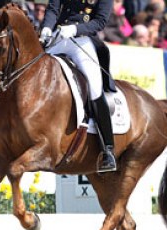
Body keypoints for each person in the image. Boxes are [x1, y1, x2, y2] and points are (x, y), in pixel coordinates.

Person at [40, 0, 117, 172]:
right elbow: (53, 8)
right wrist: (46, 27)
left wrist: (76, 29)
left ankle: (107, 150)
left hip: (82, 41)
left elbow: (100, 21)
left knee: (94, 88)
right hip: (58, 36)